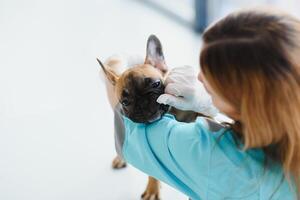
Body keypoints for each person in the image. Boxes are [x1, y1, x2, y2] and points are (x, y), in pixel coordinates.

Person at [111, 8, 300, 199]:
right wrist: (211, 106)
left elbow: (133, 139)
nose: (199, 77)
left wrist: (116, 77)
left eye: (211, 75)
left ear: (242, 103)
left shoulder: (212, 154)